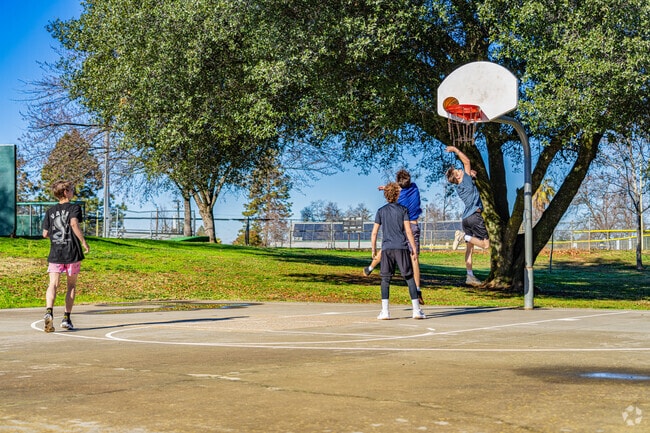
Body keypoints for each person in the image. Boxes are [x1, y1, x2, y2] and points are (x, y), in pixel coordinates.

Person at [363, 169, 424, 305]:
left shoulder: (399, 197)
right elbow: (399, 188)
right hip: (412, 226)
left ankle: (370, 268)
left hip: (399, 226)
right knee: (414, 258)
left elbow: (395, 191)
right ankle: (418, 289)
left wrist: (385, 188)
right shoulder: (414, 187)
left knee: (387, 248)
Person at [42, 180, 90, 332]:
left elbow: (45, 233)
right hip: (72, 252)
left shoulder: (50, 211)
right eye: (71, 189)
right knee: (71, 285)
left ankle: (49, 311)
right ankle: (66, 318)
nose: (73, 191)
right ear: (65, 192)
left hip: (56, 252)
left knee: (53, 284)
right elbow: (74, 224)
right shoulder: (74, 208)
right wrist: (83, 242)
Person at [445, 145, 489, 286]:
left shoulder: (461, 186)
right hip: (475, 216)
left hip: (465, 219)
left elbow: (471, 186)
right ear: (458, 176)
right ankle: (462, 236)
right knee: (485, 245)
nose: (461, 170)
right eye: (459, 170)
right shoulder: (465, 179)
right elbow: (467, 162)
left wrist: (473, 178)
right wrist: (455, 150)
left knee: (470, 248)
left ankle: (469, 276)